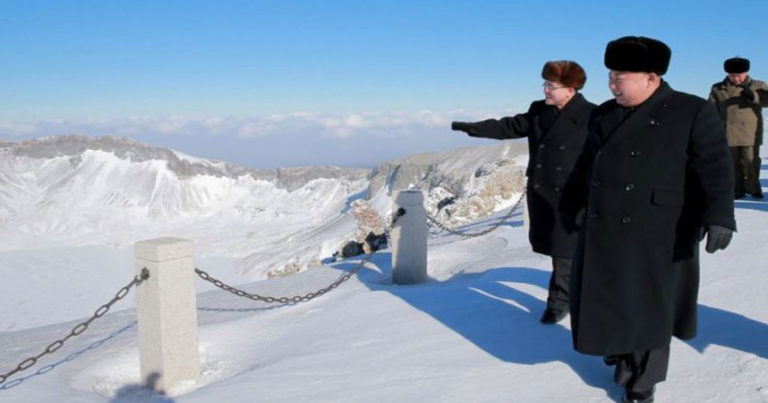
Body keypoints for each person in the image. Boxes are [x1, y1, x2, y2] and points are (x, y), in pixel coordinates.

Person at [561, 36, 736, 403]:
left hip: (661, 228)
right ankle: (620, 352)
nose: (612, 84)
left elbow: (715, 167)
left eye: (620, 76)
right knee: (612, 297)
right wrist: (570, 203)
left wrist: (720, 215)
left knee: (649, 306)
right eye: (610, 76)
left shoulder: (691, 110)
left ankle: (643, 381)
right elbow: (586, 165)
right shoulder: (603, 113)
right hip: (606, 223)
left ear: (651, 78)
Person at [451, 60, 596, 325]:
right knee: (558, 249)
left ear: (570, 88)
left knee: (565, 251)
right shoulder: (539, 110)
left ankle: (559, 303)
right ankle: (573, 294)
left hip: (574, 196)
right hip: (543, 192)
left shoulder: (592, 115)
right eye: (545, 84)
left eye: (551, 86)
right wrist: (473, 128)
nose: (545, 90)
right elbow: (510, 126)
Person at [708, 57, 768, 199]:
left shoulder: (758, 85)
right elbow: (710, 108)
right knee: (732, 163)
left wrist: (753, 96)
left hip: (750, 132)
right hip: (727, 132)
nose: (736, 79)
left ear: (746, 72)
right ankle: (737, 189)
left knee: (750, 161)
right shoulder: (718, 88)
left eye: (739, 75)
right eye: (732, 75)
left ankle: (754, 189)